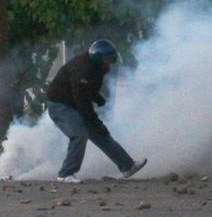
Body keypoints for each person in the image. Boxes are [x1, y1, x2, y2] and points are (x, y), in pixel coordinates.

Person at [46, 40, 147, 183]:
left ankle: (127, 166)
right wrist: (96, 122)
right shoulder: (82, 70)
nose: (110, 65)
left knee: (100, 134)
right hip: (60, 105)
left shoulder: (96, 67)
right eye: (107, 61)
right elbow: (82, 102)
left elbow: (88, 89)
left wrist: (98, 98)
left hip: (74, 102)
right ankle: (65, 174)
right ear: (98, 59)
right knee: (79, 134)